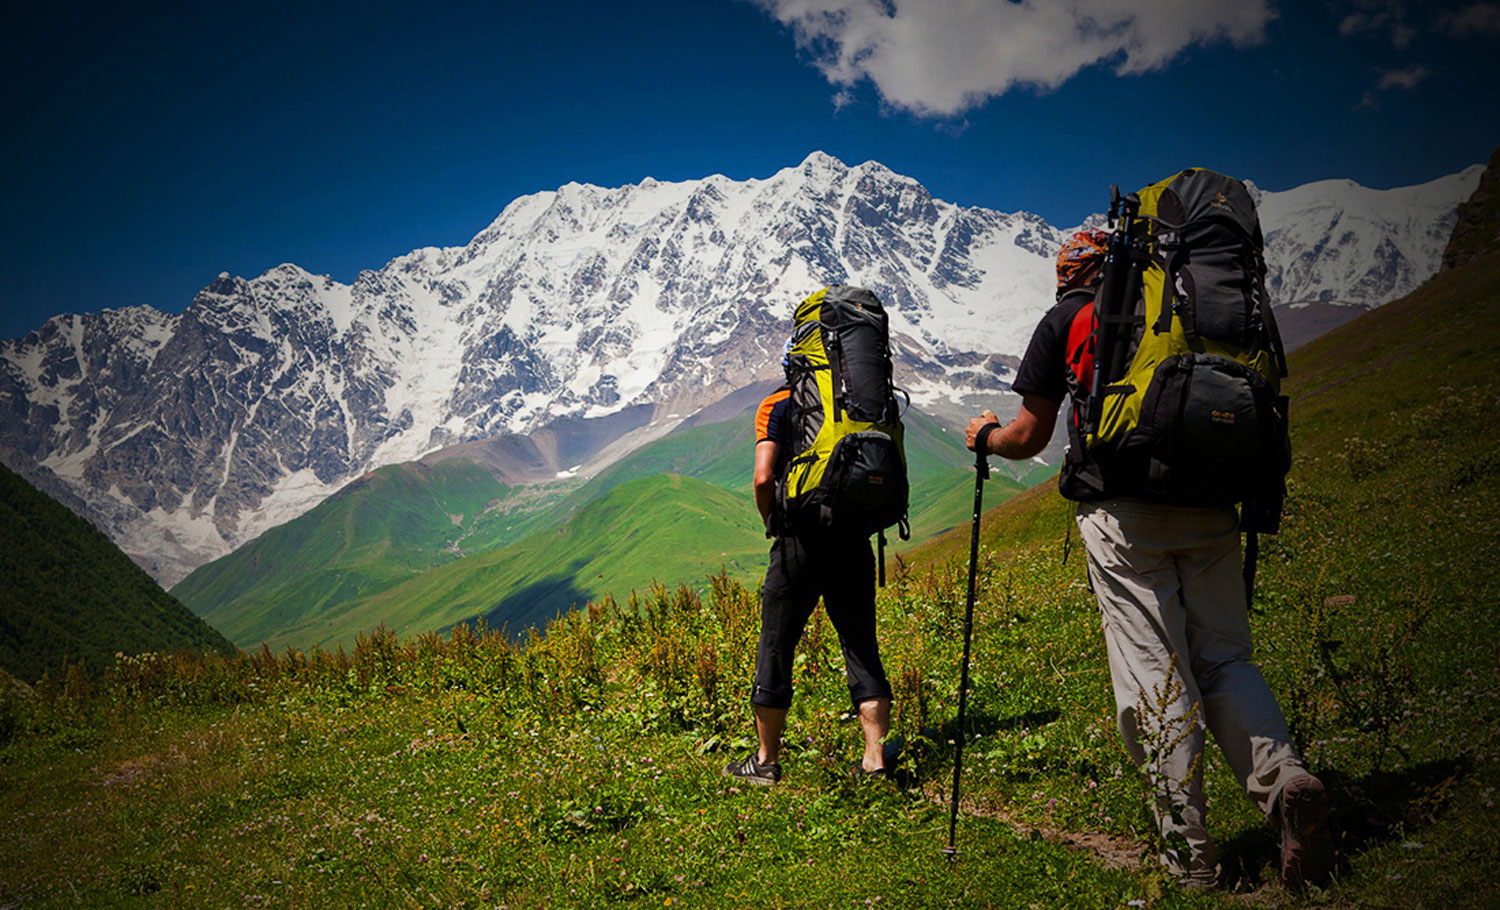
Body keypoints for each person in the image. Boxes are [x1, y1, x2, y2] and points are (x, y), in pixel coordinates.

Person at [963, 230, 1332, 891]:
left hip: (1126, 515)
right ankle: (1286, 784)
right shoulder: (1192, 311)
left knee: (1155, 676)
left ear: (1068, 274)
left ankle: (1189, 858)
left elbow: (1028, 436)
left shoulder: (1072, 316)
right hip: (1213, 505)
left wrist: (985, 436)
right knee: (1227, 661)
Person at [723, 381, 896, 785]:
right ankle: (875, 761)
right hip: (854, 537)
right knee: (861, 647)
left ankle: (766, 761)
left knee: (776, 647)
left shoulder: (778, 403)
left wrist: (772, 521)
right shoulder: (858, 401)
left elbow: (763, 478)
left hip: (797, 540)